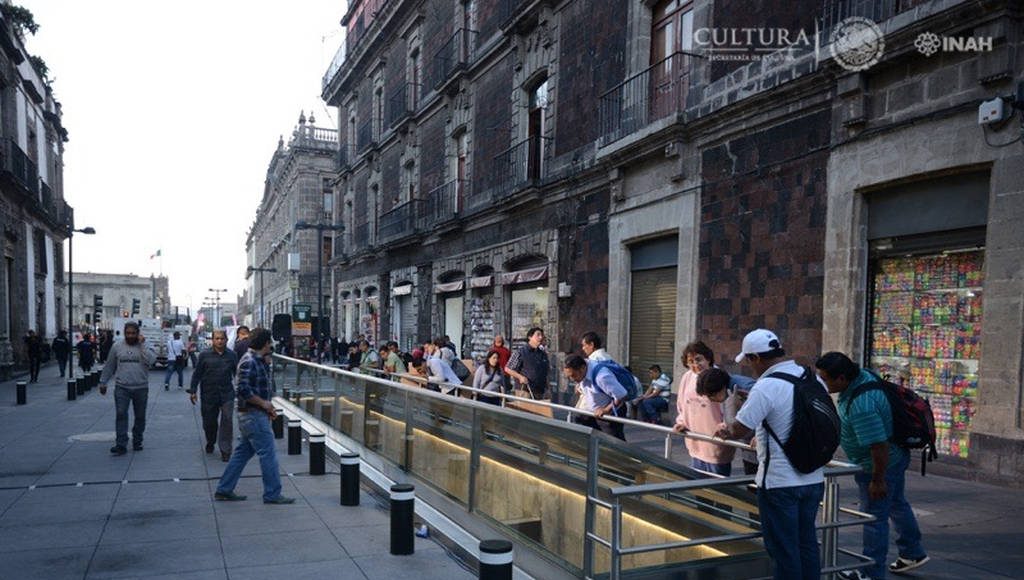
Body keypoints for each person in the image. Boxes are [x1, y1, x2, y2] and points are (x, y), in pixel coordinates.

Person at [714, 329, 824, 580]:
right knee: (806, 544)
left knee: (784, 551)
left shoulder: (766, 386)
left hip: (779, 484)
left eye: (749, 362)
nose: (750, 369)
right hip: (813, 479)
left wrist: (730, 407)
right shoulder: (811, 378)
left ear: (755, 358)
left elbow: (737, 429)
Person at [815, 352, 929, 579]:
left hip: (878, 466)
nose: (822, 382)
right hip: (894, 458)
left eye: (826, 378)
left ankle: (871, 572)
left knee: (873, 518)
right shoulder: (863, 376)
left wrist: (878, 479)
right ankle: (912, 551)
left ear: (842, 378)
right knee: (897, 503)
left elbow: (878, 445)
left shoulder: (862, 406)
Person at [214, 328, 295, 504]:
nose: (272, 345)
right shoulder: (249, 361)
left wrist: (268, 407)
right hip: (252, 415)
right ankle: (272, 493)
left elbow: (261, 388)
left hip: (254, 414)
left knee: (243, 452)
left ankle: (224, 488)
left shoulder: (258, 360)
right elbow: (242, 389)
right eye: (270, 342)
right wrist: (263, 404)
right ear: (265, 343)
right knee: (268, 454)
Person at [672, 341, 735, 475]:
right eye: (691, 361)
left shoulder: (719, 377)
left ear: (708, 358)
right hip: (695, 440)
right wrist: (681, 422)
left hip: (716, 442)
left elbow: (730, 408)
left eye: (698, 359)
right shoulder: (687, 377)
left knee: (717, 489)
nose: (695, 364)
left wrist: (725, 426)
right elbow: (681, 404)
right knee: (698, 486)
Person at [99, 322, 156, 455]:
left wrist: (142, 346)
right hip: (122, 387)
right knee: (121, 414)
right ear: (124, 333)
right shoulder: (117, 346)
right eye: (128, 333)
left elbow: (152, 360)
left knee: (140, 416)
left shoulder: (146, 345)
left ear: (138, 333)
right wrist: (103, 382)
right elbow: (110, 365)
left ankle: (137, 440)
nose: (130, 336)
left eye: (133, 333)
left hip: (141, 387)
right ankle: (121, 444)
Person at [188, 330, 239, 462]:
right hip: (209, 394)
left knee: (227, 420)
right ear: (213, 340)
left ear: (226, 340)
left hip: (227, 393)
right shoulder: (204, 355)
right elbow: (197, 374)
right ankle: (210, 440)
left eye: (222, 338)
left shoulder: (232, 355)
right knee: (209, 422)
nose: (219, 341)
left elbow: (237, 374)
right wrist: (193, 390)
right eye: (217, 339)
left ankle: (225, 450)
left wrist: (241, 390)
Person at [563, 354, 627, 440]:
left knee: (614, 443)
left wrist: (606, 410)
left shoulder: (602, 376)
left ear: (582, 368)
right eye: (569, 377)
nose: (572, 379)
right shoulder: (585, 366)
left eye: (573, 375)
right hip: (592, 413)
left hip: (608, 414)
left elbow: (622, 395)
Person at [505, 327, 550, 399]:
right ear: (530, 337)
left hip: (540, 391)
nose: (540, 337)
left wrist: (548, 388)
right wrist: (520, 377)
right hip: (525, 390)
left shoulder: (543, 354)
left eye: (542, 335)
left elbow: (546, 372)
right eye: (538, 335)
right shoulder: (521, 352)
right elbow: (508, 368)